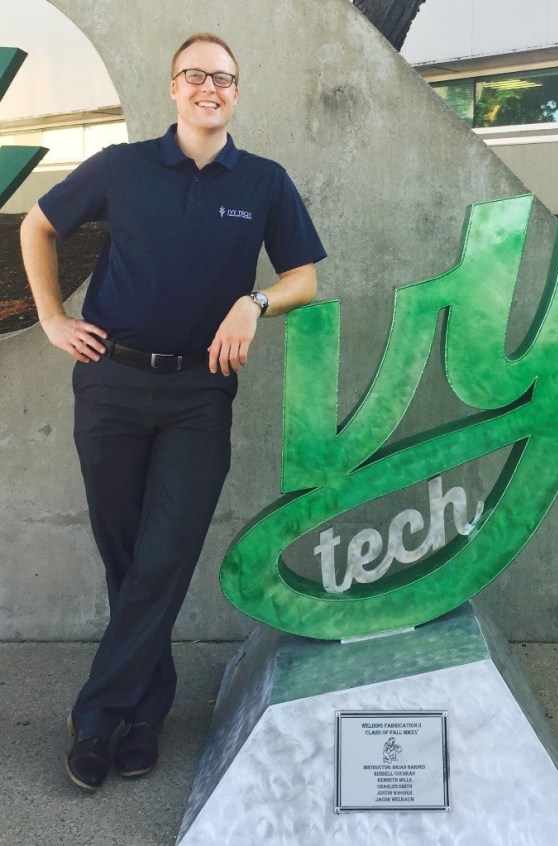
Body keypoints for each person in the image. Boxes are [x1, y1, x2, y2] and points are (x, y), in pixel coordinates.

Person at [20, 32, 326, 791]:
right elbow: (38, 223)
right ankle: (147, 712)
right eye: (195, 76)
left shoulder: (262, 181)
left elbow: (306, 278)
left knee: (163, 556)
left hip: (198, 395)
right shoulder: (123, 167)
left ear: (236, 92)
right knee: (127, 557)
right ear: (173, 88)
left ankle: (95, 719)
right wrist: (53, 317)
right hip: (111, 384)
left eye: (223, 78)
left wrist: (255, 301)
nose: (208, 88)